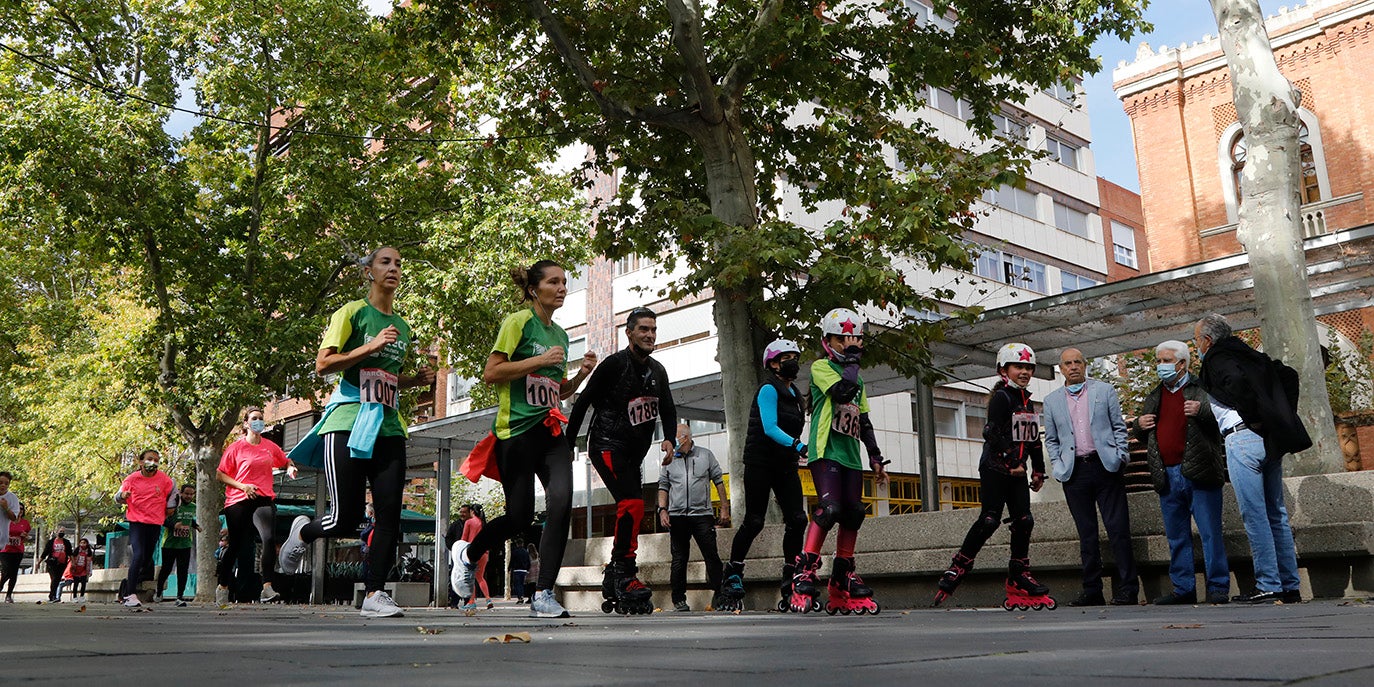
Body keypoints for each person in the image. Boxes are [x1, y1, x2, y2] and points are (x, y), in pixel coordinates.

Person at [278, 246, 435, 619]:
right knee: (346, 518)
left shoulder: (404, 326)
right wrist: (372, 345)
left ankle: (374, 593)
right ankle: (304, 533)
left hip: (388, 425)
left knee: (389, 515)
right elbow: (324, 364)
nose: (394, 268)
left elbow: (385, 379)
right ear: (369, 272)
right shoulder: (351, 313)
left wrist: (415, 380)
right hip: (346, 422)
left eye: (398, 263)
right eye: (386, 262)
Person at [453, 260, 596, 620]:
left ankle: (544, 593)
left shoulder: (561, 335)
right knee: (519, 517)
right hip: (515, 434)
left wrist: (580, 376)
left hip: (550, 433)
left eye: (565, 282)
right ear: (534, 289)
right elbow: (492, 372)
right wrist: (538, 359)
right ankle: (468, 555)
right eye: (554, 282)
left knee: (562, 502)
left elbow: (555, 391)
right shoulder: (518, 323)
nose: (562, 287)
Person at [566, 306, 678, 615]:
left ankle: (617, 571)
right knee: (633, 503)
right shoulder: (614, 365)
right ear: (628, 333)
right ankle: (624, 571)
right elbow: (583, 403)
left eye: (653, 330)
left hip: (634, 452)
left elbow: (667, 407)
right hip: (606, 445)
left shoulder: (657, 371)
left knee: (632, 505)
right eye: (643, 329)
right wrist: (567, 444)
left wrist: (669, 437)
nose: (649, 335)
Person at [1194, 313, 1309, 604]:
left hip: (1242, 437)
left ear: (1207, 340)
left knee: (1255, 514)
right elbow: (1289, 375)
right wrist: (1276, 417)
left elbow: (1235, 383)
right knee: (1276, 513)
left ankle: (1268, 583)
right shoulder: (1248, 353)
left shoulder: (1217, 358)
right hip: (1267, 440)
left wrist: (1252, 414)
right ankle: (1289, 585)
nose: (1197, 345)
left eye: (1197, 340)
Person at [933, 343, 1053, 608]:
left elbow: (1032, 440)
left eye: (1028, 367)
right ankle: (959, 565)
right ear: (1004, 370)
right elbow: (990, 432)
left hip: (1018, 471)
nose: (1024, 371)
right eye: (1018, 367)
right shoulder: (1002, 398)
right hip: (995, 467)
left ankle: (1019, 575)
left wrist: (1039, 470)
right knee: (989, 520)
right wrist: (1011, 459)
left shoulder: (1027, 402)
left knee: (1024, 520)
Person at [788, 308, 889, 615]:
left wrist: (875, 456)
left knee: (855, 512)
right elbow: (842, 390)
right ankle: (804, 571)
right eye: (842, 339)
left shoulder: (859, 379)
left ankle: (842, 576)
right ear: (827, 340)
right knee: (830, 508)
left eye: (854, 338)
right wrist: (853, 362)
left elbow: (865, 420)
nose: (849, 344)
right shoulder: (821, 368)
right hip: (825, 450)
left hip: (850, 455)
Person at [1135, 340, 1230, 605]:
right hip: (1166, 474)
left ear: (1182, 364)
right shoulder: (1154, 395)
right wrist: (1140, 426)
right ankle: (1183, 588)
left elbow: (1223, 418)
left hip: (1199, 471)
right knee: (1176, 537)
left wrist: (1203, 411)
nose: (1161, 366)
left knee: (1210, 533)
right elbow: (1144, 434)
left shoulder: (1203, 389)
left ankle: (1218, 588)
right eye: (1158, 361)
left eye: (1166, 361)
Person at [1043, 347, 1139, 607]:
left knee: (1118, 529)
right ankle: (1092, 590)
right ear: (1060, 369)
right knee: (1087, 534)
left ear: (1085, 365)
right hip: (1074, 472)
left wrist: (1122, 457)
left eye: (1077, 362)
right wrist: (1058, 463)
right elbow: (1051, 439)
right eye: (1067, 363)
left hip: (1106, 466)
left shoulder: (1104, 391)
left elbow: (1119, 426)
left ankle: (1128, 589)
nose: (1073, 367)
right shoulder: (1051, 401)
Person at [720, 338, 809, 612]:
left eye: (795, 356)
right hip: (760, 462)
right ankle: (733, 573)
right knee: (755, 520)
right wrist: (797, 445)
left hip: (785, 463)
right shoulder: (768, 389)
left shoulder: (796, 395)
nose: (792, 361)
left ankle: (791, 574)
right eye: (786, 357)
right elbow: (769, 428)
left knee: (798, 519)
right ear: (773, 363)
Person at [218, 408, 295, 605]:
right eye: (254, 418)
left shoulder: (269, 446)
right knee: (235, 545)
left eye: (261, 418)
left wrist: (290, 467)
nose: (258, 421)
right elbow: (220, 475)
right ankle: (223, 585)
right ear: (246, 424)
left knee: (268, 539)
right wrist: (243, 486)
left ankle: (267, 587)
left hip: (263, 498)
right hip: (238, 499)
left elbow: (285, 461)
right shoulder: (236, 448)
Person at [657, 423, 728, 612]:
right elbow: (663, 485)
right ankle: (678, 598)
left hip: (702, 515)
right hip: (678, 516)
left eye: (676, 438)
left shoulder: (705, 455)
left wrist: (724, 508)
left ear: (686, 438)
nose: (673, 442)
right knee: (679, 558)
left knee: (711, 555)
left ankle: (720, 593)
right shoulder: (669, 459)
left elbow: (719, 481)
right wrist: (662, 510)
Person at [115, 449, 177, 607]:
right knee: (139, 554)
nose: (153, 463)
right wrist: (123, 496)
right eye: (150, 459)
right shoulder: (132, 479)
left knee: (146, 559)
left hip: (155, 523)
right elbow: (118, 496)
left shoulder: (165, 480)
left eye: (156, 460)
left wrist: (171, 507)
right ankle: (130, 594)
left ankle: (125, 586)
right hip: (137, 522)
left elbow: (173, 496)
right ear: (141, 462)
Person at [157, 483, 200, 606]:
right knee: (166, 569)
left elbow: (189, 519)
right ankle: (159, 592)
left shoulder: (193, 507)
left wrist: (196, 526)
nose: (189, 496)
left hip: (185, 544)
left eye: (191, 494)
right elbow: (162, 519)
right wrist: (173, 525)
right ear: (181, 493)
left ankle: (180, 596)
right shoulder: (172, 505)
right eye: (186, 493)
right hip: (169, 543)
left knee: (183, 570)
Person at [458, 504, 494, 610]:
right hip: (484, 553)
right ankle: (488, 599)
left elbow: (464, 539)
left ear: (472, 511)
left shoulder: (469, 522)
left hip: (472, 552)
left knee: (471, 578)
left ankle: (471, 601)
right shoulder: (484, 524)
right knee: (480, 577)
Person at [1, 501, 30, 603]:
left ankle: (9, 595)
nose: (20, 511)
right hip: (5, 550)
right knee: (6, 571)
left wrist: (24, 537)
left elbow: (25, 538)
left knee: (13, 573)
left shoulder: (25, 523)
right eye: (18, 508)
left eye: (22, 509)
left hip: (18, 551)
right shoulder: (5, 520)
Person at [39, 527, 72, 602]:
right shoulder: (51, 542)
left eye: (63, 531)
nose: (62, 533)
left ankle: (53, 595)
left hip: (62, 563)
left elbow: (70, 553)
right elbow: (45, 553)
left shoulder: (66, 542)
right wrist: (39, 562)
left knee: (57, 579)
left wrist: (73, 563)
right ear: (56, 532)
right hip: (52, 563)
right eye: (60, 531)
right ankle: (52, 595)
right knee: (54, 578)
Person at [63, 538, 95, 603]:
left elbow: (90, 562)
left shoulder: (88, 552)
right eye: (81, 543)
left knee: (83, 584)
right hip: (76, 570)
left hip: (84, 570)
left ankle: (82, 596)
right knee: (76, 584)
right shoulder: (76, 551)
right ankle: (74, 597)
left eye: (84, 543)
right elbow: (71, 560)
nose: (82, 544)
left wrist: (90, 571)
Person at [509, 539, 531, 604]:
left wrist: (509, 568)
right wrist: (527, 569)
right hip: (524, 570)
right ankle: (522, 596)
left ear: (517, 544)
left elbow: (512, 560)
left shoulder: (514, 552)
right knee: (522, 584)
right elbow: (528, 561)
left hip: (517, 570)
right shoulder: (526, 552)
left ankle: (520, 597)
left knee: (517, 585)